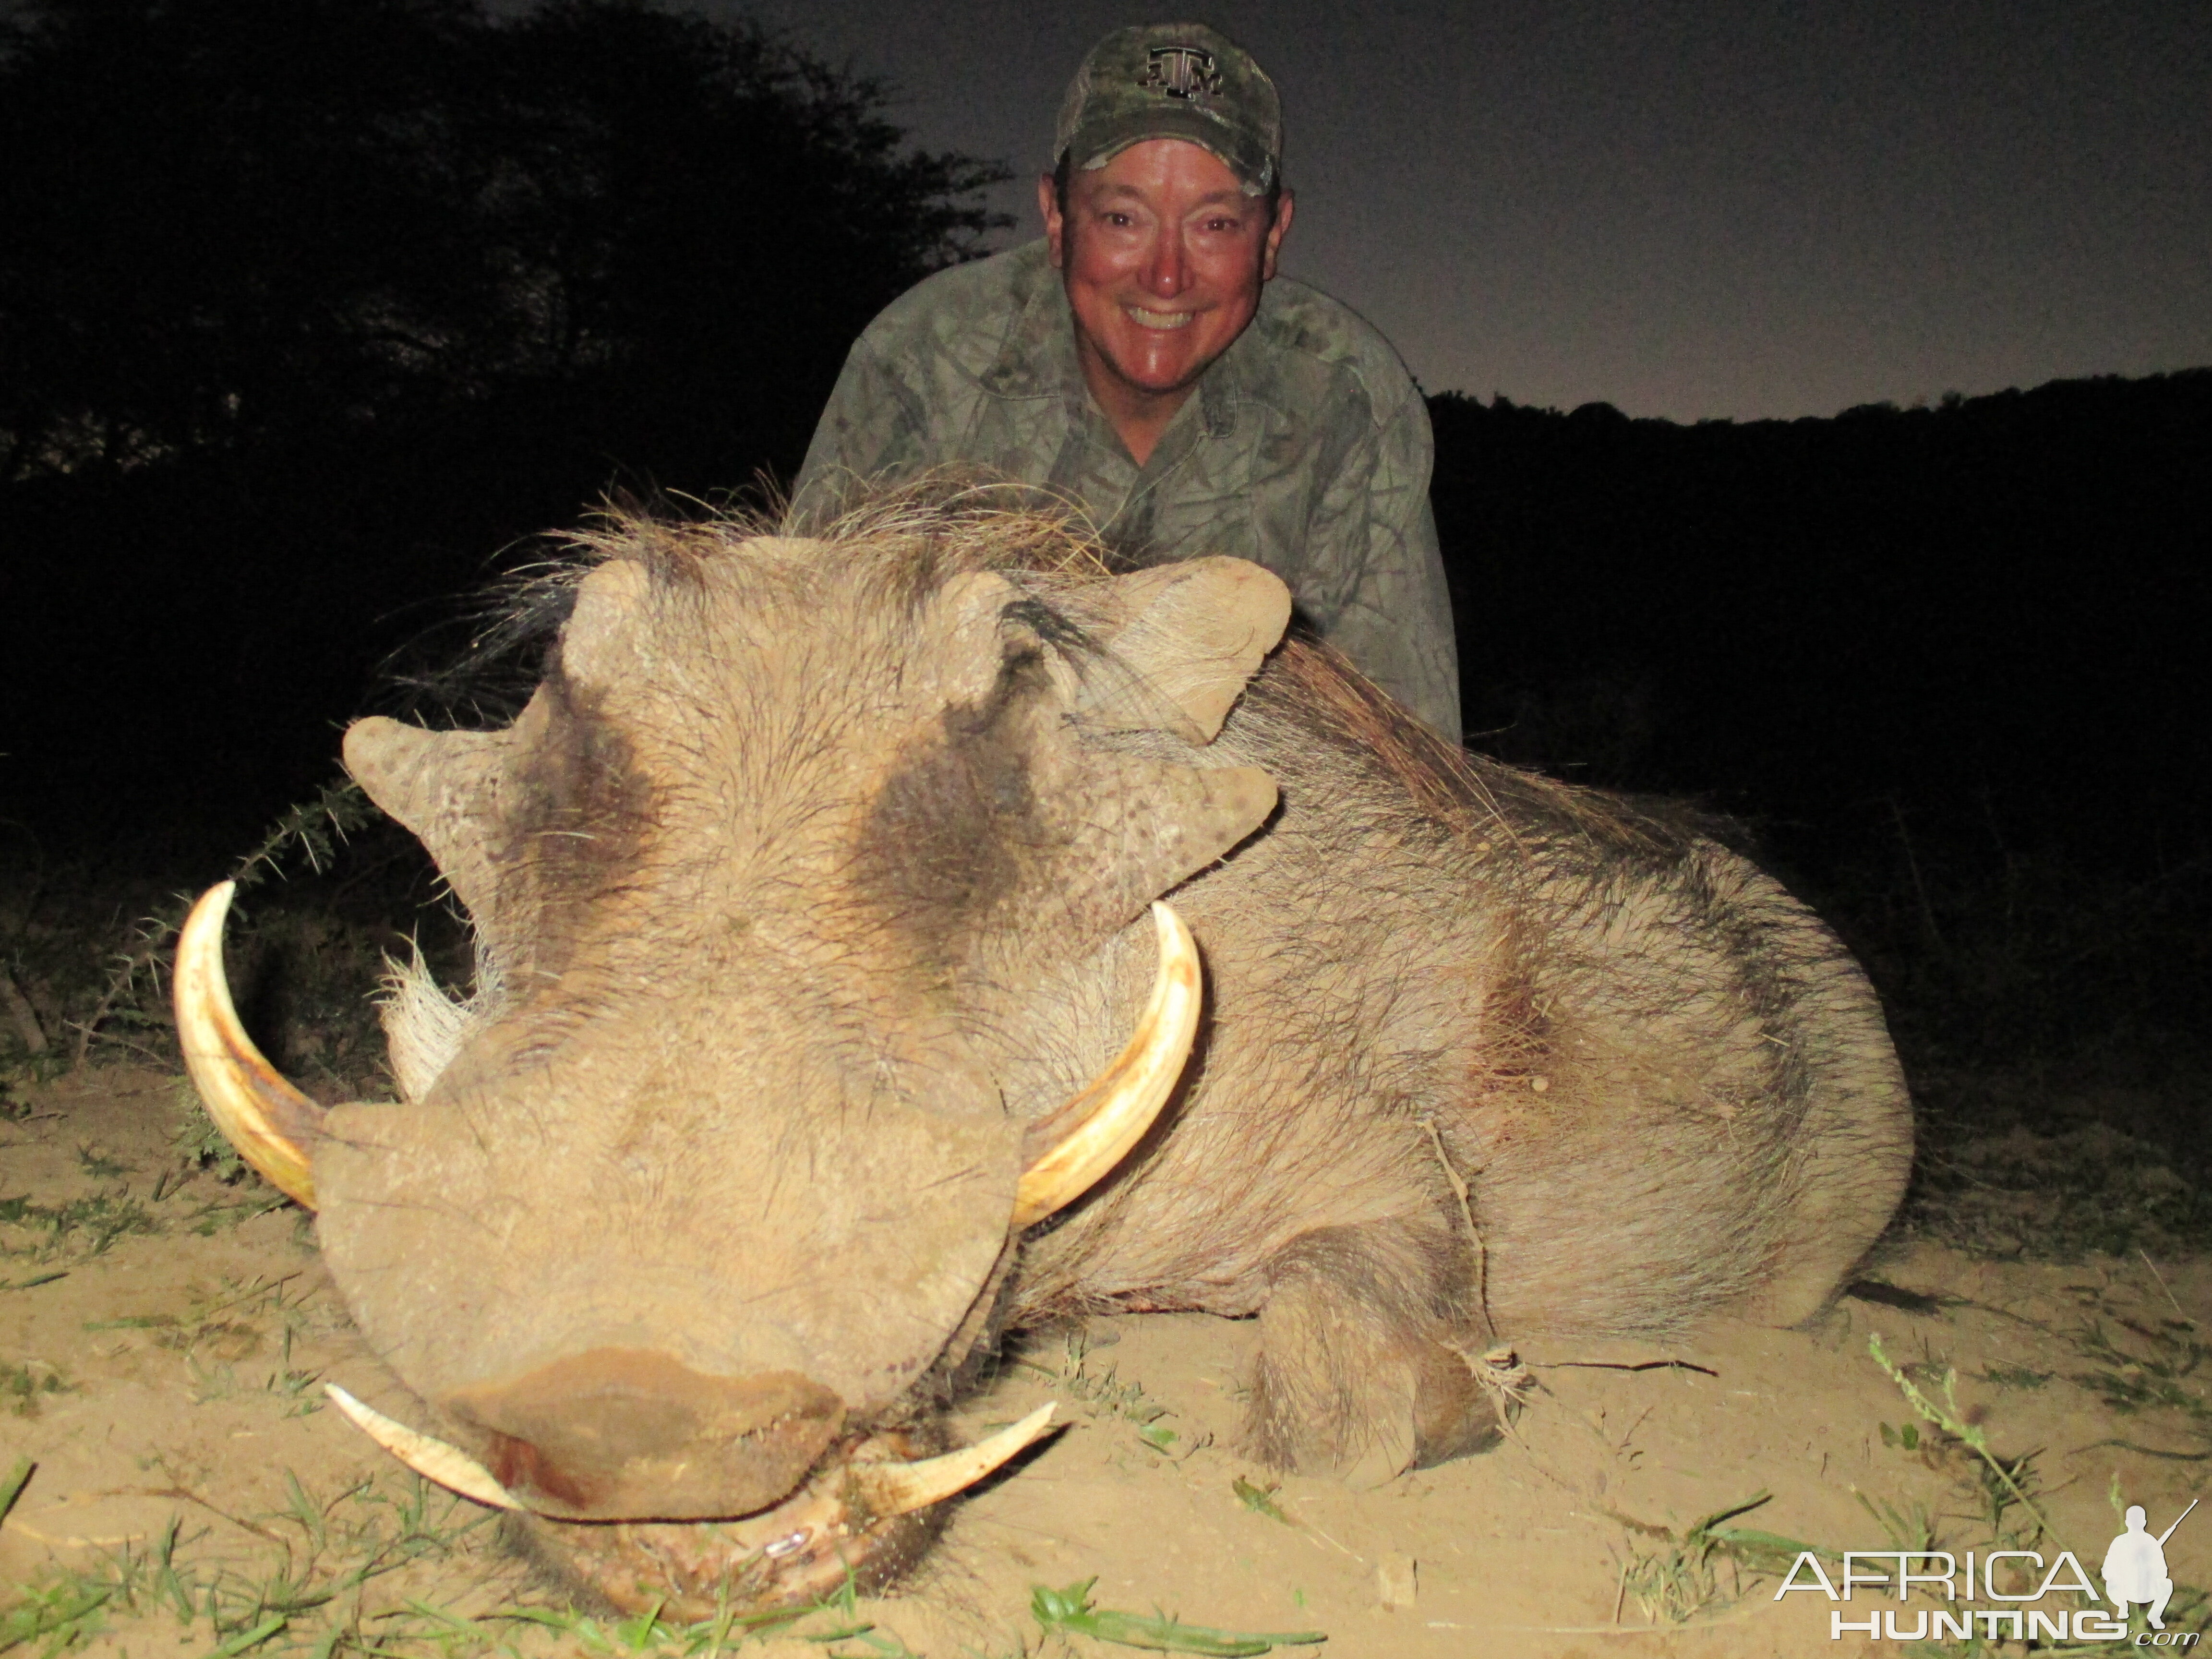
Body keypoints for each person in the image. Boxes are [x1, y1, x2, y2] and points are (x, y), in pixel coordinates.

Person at [793, 22, 1462, 741]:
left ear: (1272, 237)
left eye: (1215, 225)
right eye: (1122, 217)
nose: (1166, 276)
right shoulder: (920, 363)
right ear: (1055, 217)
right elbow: (802, 676)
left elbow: (1407, 750)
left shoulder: (1351, 401)